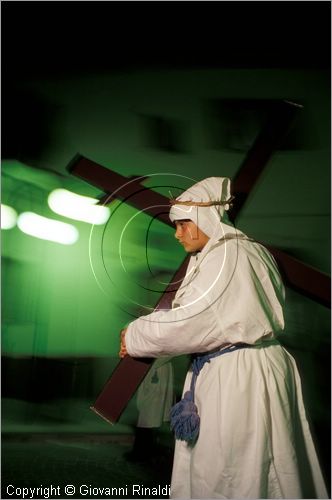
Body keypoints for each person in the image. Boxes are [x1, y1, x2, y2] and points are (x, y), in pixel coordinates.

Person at [119, 177, 328, 499]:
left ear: (207, 218)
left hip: (239, 377)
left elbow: (196, 320)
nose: (177, 234)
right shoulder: (225, 253)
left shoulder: (229, 256)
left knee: (236, 469)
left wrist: (136, 334)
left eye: (184, 224)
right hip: (233, 368)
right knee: (227, 466)